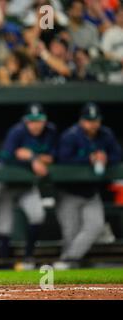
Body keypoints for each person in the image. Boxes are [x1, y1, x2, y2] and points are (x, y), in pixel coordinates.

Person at [54, 103, 122, 270]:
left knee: (96, 226)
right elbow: (62, 161)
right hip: (69, 192)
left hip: (91, 193)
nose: (93, 124)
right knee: (70, 233)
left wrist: (105, 157)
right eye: (89, 120)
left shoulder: (105, 134)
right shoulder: (70, 135)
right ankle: (69, 268)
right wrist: (88, 159)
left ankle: (67, 260)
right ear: (81, 120)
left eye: (95, 120)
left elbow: (117, 155)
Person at [0, 103, 57, 270]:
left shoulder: (50, 131)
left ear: (45, 121)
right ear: (26, 121)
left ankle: (28, 257)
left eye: (39, 120)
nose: (36, 125)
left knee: (38, 214)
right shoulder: (17, 132)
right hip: (6, 183)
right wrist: (33, 161)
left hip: (27, 186)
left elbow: (54, 156)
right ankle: (3, 263)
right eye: (31, 121)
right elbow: (7, 158)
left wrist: (31, 156)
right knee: (4, 224)